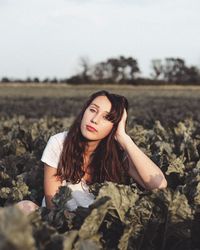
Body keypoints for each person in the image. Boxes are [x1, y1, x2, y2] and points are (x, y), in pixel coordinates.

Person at [16, 90, 167, 214]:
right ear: (84, 112)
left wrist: (124, 138)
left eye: (107, 117)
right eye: (93, 110)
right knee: (24, 207)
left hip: (99, 230)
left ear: (115, 126)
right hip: (61, 223)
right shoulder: (59, 143)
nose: (94, 120)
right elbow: (52, 204)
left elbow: (159, 185)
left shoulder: (119, 153)